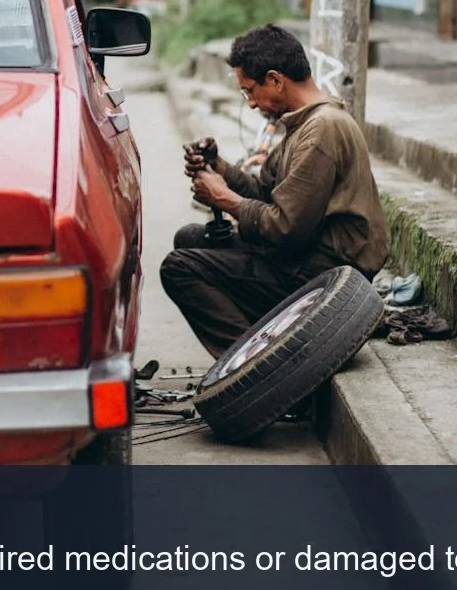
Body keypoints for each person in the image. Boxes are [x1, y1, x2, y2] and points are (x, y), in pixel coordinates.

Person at [160, 23, 388, 358]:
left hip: (326, 273)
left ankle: (259, 368)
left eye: (250, 90)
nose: (251, 103)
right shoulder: (305, 122)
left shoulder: (321, 131)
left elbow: (286, 228)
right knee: (191, 237)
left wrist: (224, 198)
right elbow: (266, 193)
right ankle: (265, 343)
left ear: (276, 80)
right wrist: (220, 167)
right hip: (306, 256)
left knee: (178, 267)